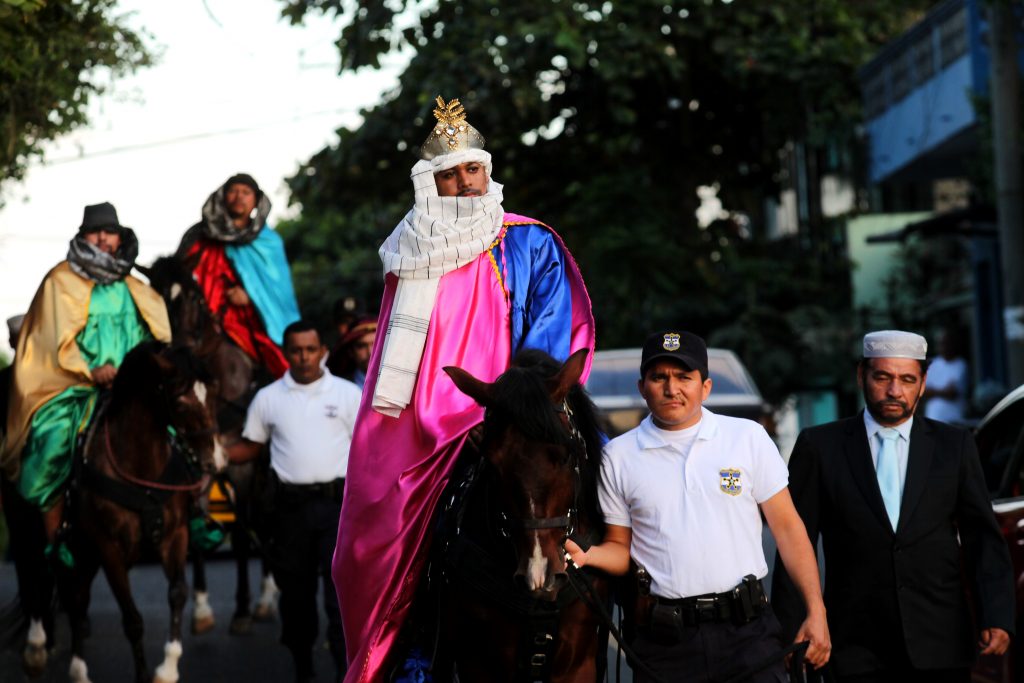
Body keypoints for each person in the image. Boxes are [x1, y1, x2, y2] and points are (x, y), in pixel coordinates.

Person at [332, 95, 595, 682]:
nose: (466, 182)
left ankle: (640, 610)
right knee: (367, 544)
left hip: (516, 415)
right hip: (423, 425)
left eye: (473, 168)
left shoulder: (529, 242)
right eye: (450, 174)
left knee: (599, 489)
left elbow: (548, 339)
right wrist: (442, 420)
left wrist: (506, 410)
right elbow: (396, 364)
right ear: (431, 184)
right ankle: (412, 655)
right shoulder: (410, 251)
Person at [566, 330, 830, 682]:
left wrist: (816, 611)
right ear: (642, 387)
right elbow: (619, 548)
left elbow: (788, 530)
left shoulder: (747, 438)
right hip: (665, 643)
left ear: (705, 387)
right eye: (659, 377)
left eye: (683, 377)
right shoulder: (617, 456)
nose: (671, 388)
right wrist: (587, 556)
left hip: (748, 634)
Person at [771, 330, 1014, 682]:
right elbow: (794, 540)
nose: (895, 391)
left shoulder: (954, 446)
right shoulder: (820, 446)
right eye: (882, 377)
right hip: (852, 645)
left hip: (940, 642)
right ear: (861, 375)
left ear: (923, 383)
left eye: (907, 380)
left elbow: (982, 538)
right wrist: (789, 629)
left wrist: (997, 615)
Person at [2, 202, 171, 566]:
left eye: (110, 232)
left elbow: (152, 336)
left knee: (184, 431)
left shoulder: (133, 286)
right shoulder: (60, 280)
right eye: (96, 232)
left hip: (130, 388)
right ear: (83, 237)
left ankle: (195, 515)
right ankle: (56, 537)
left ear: (119, 238)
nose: (103, 238)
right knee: (50, 444)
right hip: (73, 386)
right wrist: (89, 370)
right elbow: (47, 340)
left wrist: (134, 371)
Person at [226, 320, 361, 682]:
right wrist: (216, 455)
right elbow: (251, 447)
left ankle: (344, 673)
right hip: (289, 513)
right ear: (286, 354)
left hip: (338, 512)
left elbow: (369, 450)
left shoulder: (348, 394)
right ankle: (303, 670)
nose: (304, 357)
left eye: (310, 349)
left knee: (339, 599)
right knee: (296, 600)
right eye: (297, 350)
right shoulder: (267, 398)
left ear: (323, 351)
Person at [177, 173, 301, 378]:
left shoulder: (269, 242)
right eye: (233, 191)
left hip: (255, 325)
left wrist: (251, 297)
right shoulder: (200, 236)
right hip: (202, 323)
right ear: (223, 196)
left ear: (256, 200)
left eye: (246, 192)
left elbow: (279, 292)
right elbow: (179, 277)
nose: (239, 197)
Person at [922, 327, 969, 424]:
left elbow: (951, 393)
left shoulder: (961, 364)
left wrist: (933, 391)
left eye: (946, 343)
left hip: (954, 420)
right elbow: (922, 391)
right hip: (932, 419)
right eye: (941, 344)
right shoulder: (932, 364)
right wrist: (943, 391)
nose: (944, 347)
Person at [326, 316, 376, 388]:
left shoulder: (393, 383)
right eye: (361, 346)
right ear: (351, 352)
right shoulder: (338, 387)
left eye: (376, 345)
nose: (370, 352)